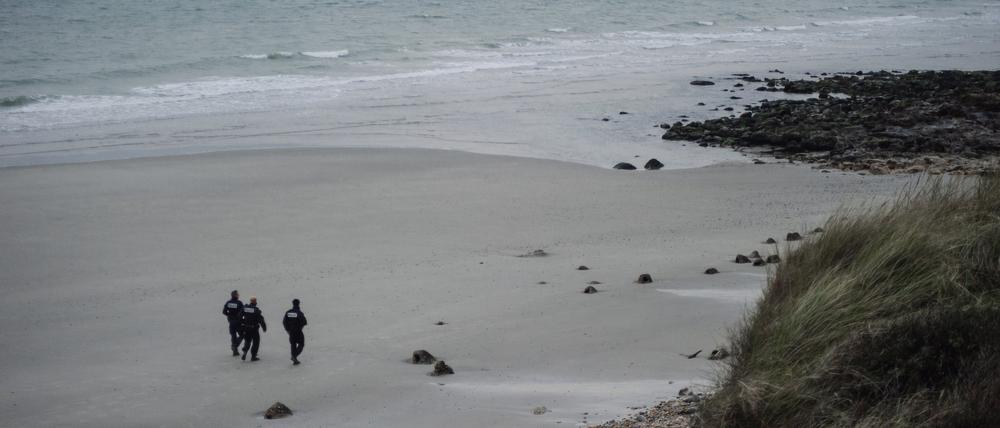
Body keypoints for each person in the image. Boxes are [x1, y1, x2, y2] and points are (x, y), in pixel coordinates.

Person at [240, 296, 267, 361]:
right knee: (256, 342)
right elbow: (261, 320)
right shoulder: (256, 310)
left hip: (246, 328)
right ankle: (253, 356)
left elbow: (239, 316)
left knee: (247, 340)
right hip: (254, 329)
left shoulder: (245, 308)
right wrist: (264, 327)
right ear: (255, 302)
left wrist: (243, 323)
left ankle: (245, 351)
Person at [282, 299, 308, 365]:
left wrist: (288, 330)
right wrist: (300, 327)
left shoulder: (288, 312)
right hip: (298, 331)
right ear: (298, 304)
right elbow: (304, 322)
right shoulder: (299, 313)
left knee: (293, 344)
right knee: (301, 344)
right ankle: (294, 356)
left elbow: (284, 322)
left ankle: (294, 358)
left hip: (291, 332)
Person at [222, 290, 244, 356]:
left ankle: (235, 350)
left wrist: (229, 315)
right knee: (242, 334)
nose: (239, 295)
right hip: (238, 321)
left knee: (233, 335)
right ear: (235, 295)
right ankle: (235, 346)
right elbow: (242, 312)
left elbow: (224, 312)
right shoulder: (239, 303)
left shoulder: (228, 303)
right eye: (238, 294)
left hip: (231, 321)